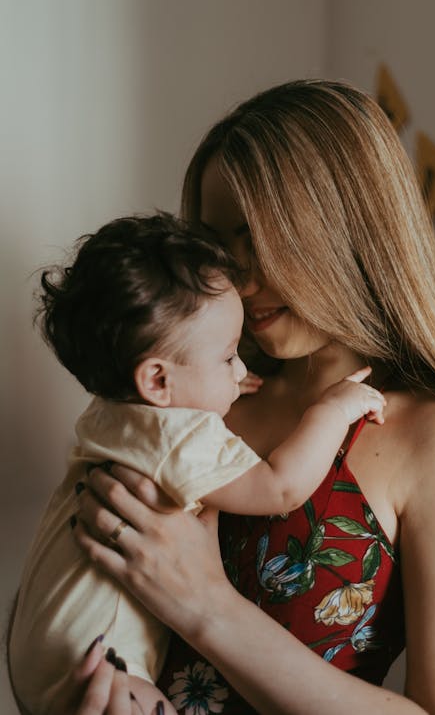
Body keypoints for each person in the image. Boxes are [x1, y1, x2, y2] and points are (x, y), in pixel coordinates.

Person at [8, 212, 386, 715]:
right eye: (228, 357)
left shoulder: (110, 413)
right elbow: (279, 487)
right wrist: (332, 409)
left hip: (39, 654)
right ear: (159, 383)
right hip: (106, 670)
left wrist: (213, 380)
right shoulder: (184, 434)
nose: (243, 368)